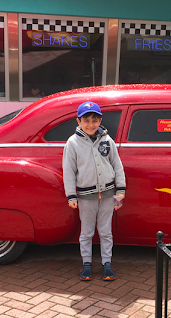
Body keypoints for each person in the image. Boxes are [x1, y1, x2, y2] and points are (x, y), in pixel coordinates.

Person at [62, 101, 126, 281]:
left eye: (95, 120)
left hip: (107, 194)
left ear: (100, 120)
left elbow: (117, 165)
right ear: (78, 121)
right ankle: (86, 264)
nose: (91, 124)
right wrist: (71, 195)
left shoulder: (107, 140)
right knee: (87, 232)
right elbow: (69, 171)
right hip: (85, 197)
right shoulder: (73, 143)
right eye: (86, 120)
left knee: (106, 232)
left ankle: (107, 264)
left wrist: (120, 190)